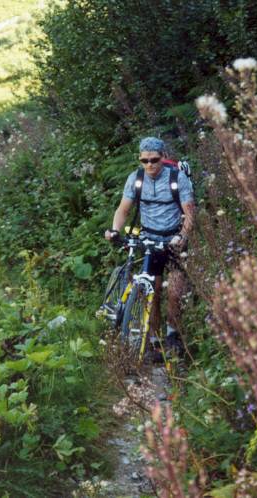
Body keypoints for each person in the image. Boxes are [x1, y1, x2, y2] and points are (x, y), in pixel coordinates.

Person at [105, 137, 194, 360]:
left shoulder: (177, 178)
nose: (149, 165)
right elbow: (123, 210)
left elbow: (190, 213)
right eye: (144, 161)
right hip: (149, 239)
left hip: (173, 240)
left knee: (174, 292)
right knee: (151, 292)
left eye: (154, 160)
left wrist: (182, 236)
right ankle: (153, 340)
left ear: (163, 157)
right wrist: (115, 230)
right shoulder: (135, 179)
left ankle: (173, 336)